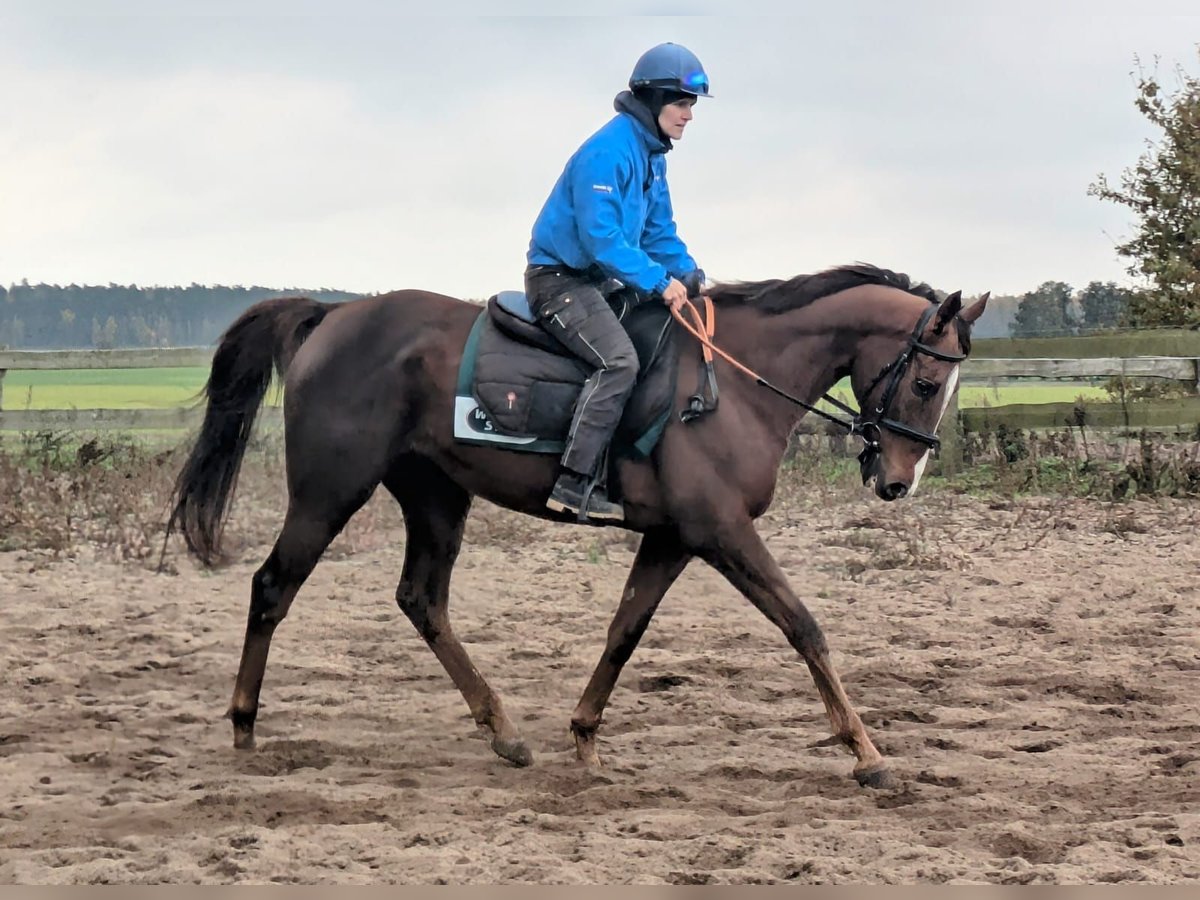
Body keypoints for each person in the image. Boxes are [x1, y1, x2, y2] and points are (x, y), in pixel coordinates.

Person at [525, 41, 711, 522]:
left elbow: (658, 233)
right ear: (652, 101)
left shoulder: (652, 157)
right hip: (559, 281)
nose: (689, 115)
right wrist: (658, 280)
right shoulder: (607, 153)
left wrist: (689, 274)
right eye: (682, 103)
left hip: (603, 284)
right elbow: (602, 239)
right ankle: (574, 481)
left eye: (691, 105)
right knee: (620, 363)